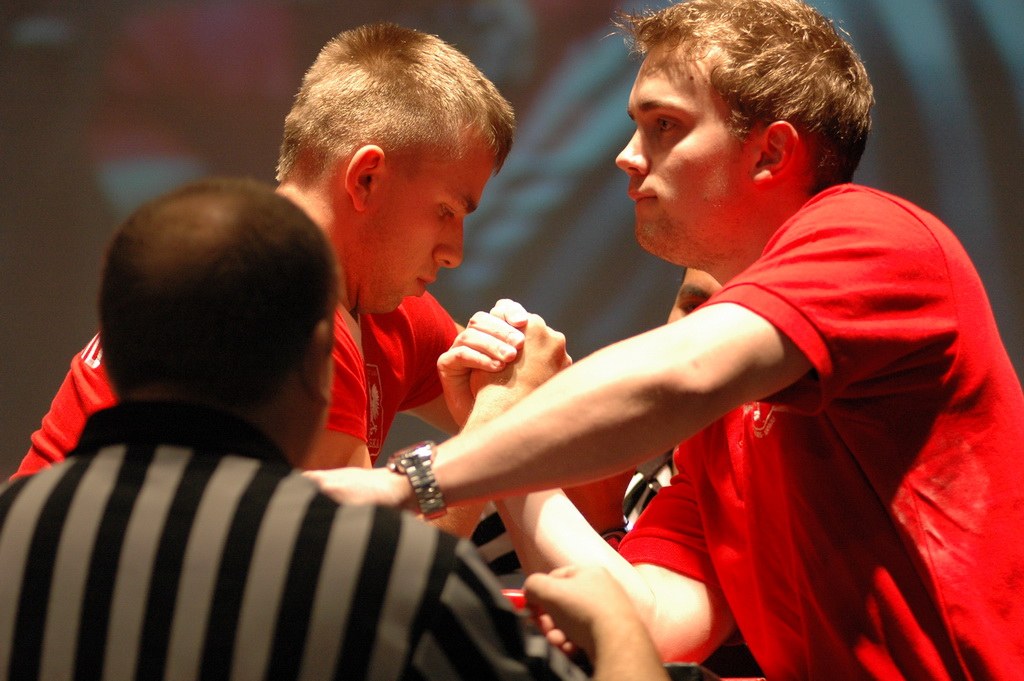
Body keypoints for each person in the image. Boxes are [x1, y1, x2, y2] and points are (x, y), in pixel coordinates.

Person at [305, 1, 1024, 678]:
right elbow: (648, 619)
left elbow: (675, 377)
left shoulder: (873, 235)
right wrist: (507, 418)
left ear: (771, 154)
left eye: (664, 125)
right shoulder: (720, 430)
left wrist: (410, 482)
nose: (626, 154)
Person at [0, 177, 673, 681]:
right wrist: (616, 623)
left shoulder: (10, 529)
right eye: (447, 208)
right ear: (321, 364)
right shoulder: (377, 570)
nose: (455, 249)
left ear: (109, 346)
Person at [11, 22, 519, 536]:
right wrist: (497, 424)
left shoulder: (378, 298)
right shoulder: (281, 313)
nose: (454, 252)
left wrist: (520, 393)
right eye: (447, 211)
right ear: (366, 178)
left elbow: (538, 425)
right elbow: (367, 587)